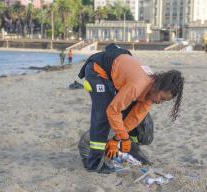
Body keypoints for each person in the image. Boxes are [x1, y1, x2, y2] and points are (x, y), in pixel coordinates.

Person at [78, 43, 184, 173]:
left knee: (142, 123)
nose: (159, 102)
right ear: (157, 87)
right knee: (104, 115)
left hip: (116, 74)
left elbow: (134, 118)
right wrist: (124, 137)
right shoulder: (138, 85)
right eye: (161, 98)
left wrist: (117, 139)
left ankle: (131, 149)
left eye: (164, 101)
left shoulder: (152, 92)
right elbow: (113, 111)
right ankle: (94, 163)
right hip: (98, 70)